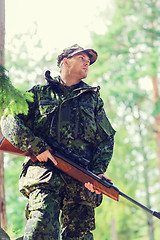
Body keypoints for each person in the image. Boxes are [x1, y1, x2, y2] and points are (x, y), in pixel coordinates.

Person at [1, 44, 116, 240]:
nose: (87, 62)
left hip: (81, 180)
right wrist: (35, 146)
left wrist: (97, 172)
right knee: (41, 228)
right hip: (44, 174)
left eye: (89, 60)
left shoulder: (93, 100)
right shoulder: (39, 93)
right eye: (82, 58)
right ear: (66, 61)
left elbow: (106, 139)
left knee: (80, 236)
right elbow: (10, 120)